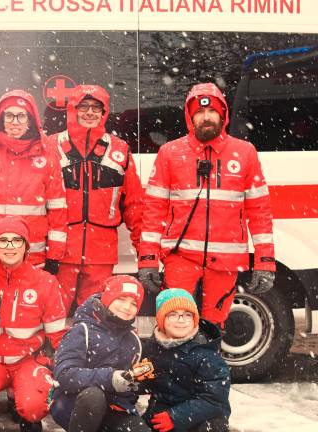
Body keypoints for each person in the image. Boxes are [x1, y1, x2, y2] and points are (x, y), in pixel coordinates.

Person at [138, 82, 275, 326]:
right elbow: (153, 210)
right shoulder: (170, 153)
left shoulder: (245, 152)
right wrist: (148, 259)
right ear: (190, 118)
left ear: (223, 115)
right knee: (174, 325)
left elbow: (259, 212)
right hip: (180, 258)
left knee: (213, 327)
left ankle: (210, 361)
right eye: (199, 112)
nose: (206, 117)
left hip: (226, 261)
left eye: (212, 111)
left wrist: (265, 262)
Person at [0, 216, 67, 432]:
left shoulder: (45, 282)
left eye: (17, 240)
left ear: (26, 246)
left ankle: (25, 414)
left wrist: (66, 364)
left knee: (35, 405)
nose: (10, 247)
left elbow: (59, 335)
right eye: (3, 240)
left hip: (28, 360)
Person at [48, 85, 142, 314]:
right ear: (73, 109)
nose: (90, 112)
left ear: (104, 112)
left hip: (101, 252)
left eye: (96, 108)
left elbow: (135, 205)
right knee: (53, 312)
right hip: (61, 250)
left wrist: (145, 252)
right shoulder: (51, 146)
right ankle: (55, 351)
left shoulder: (119, 149)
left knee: (95, 314)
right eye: (84, 107)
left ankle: (89, 350)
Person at [0, 90, 68, 271]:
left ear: (31, 120)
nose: (15, 122)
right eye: (9, 116)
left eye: (21, 116)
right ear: (0, 119)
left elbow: (58, 211)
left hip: (34, 256)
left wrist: (54, 256)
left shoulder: (48, 157)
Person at [49, 275, 151, 432]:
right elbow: (64, 374)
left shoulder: (134, 341)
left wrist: (135, 380)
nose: (127, 307)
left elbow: (130, 384)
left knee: (138, 429)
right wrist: (111, 378)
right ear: (108, 298)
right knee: (93, 397)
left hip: (115, 406)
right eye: (121, 299)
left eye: (133, 304)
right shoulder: (82, 330)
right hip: (74, 402)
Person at [142, 289, 231, 432]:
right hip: (163, 412)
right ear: (161, 319)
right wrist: (131, 385)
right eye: (172, 314)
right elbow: (147, 384)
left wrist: (176, 417)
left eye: (188, 315)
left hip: (201, 417)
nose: (181, 320)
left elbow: (215, 400)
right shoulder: (153, 347)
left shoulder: (206, 353)